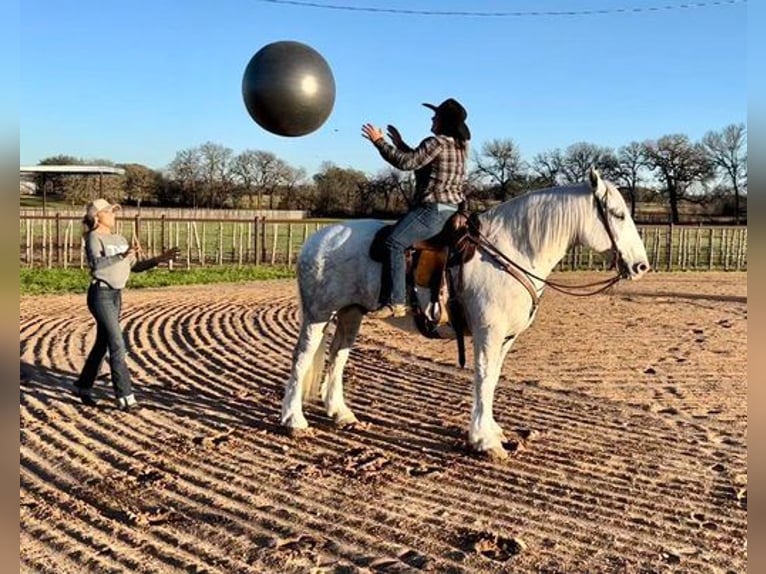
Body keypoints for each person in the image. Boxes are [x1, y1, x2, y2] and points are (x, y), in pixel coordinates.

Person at [361, 97, 471, 319]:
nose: (432, 118)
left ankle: (396, 302)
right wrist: (400, 144)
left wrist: (379, 141)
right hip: (452, 210)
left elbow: (407, 163)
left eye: (436, 116)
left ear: (443, 121)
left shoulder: (436, 142)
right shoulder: (460, 146)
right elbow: (422, 162)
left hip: (431, 210)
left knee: (394, 242)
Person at [72, 198, 179, 410]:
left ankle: (82, 386)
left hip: (115, 295)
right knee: (117, 344)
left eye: (114, 211)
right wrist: (122, 254)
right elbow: (96, 263)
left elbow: (135, 266)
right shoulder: (94, 237)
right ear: (97, 216)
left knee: (103, 344)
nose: (114, 214)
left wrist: (159, 259)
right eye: (109, 211)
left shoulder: (120, 238)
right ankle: (125, 397)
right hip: (100, 295)